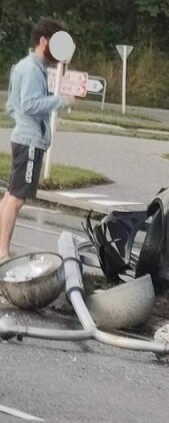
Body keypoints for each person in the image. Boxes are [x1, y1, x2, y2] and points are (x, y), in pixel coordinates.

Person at [1, 18, 74, 263]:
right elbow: (29, 105)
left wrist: (22, 123)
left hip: (24, 137)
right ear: (44, 41)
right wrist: (61, 100)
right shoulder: (32, 69)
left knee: (11, 195)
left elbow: (12, 105)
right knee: (17, 198)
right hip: (30, 141)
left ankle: (0, 248)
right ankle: (2, 253)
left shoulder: (24, 67)